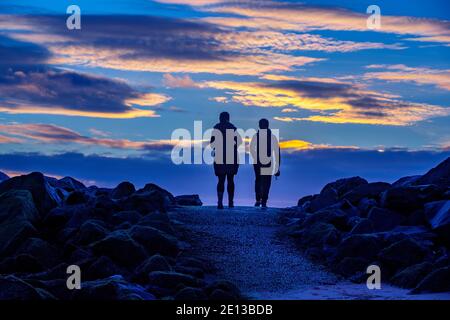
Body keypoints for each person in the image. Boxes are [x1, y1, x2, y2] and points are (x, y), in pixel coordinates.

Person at [210, 112, 242, 209]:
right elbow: (238, 142)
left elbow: (212, 144)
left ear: (220, 118)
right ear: (228, 118)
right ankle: (230, 202)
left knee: (221, 180)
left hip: (220, 156)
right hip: (231, 156)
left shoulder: (216, 128)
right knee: (231, 179)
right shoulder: (233, 128)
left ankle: (220, 202)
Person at [250, 118, 281, 208]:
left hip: (258, 162)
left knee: (259, 180)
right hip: (267, 162)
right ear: (267, 125)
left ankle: (258, 200)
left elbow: (252, 149)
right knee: (266, 182)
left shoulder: (256, 136)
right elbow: (277, 153)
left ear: (259, 125)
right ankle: (263, 201)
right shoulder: (272, 137)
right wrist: (277, 167)